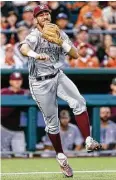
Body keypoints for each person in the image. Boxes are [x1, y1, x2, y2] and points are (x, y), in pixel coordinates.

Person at [20, 4, 101, 177]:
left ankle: (88, 140)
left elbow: (75, 54)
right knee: (52, 123)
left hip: (57, 75)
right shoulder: (35, 36)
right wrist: (35, 55)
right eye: (40, 15)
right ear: (35, 19)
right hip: (40, 83)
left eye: (47, 13)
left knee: (79, 102)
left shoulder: (59, 32)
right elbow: (23, 48)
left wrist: (61, 42)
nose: (45, 17)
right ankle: (62, 158)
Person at [1, 72, 29, 157]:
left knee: (20, 155)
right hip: (3, 128)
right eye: (14, 80)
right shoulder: (3, 92)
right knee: (3, 156)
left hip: (18, 130)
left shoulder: (26, 93)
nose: (17, 82)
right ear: (10, 81)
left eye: (19, 80)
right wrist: (15, 104)